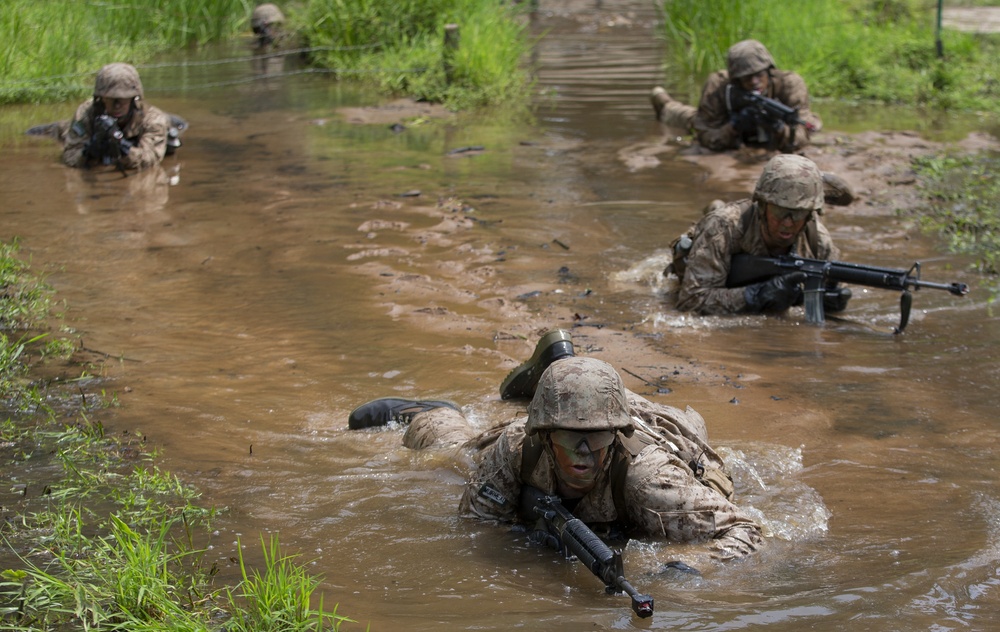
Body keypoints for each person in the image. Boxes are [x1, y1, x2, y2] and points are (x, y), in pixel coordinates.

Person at [348, 330, 764, 561]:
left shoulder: (648, 479)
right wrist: (530, 535)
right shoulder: (518, 447)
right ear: (545, 435)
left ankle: (562, 369)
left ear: (614, 436)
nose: (585, 452)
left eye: (597, 439)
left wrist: (685, 567)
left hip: (648, 422)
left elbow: (748, 530)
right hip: (550, 423)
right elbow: (475, 525)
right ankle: (429, 409)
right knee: (448, 448)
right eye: (570, 438)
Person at [666, 153, 852, 316]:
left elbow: (833, 295)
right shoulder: (722, 228)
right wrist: (758, 295)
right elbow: (690, 301)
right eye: (780, 211)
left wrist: (829, 301)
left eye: (798, 213)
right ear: (762, 206)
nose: (788, 222)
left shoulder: (817, 240)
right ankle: (714, 207)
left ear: (812, 214)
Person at [650, 39, 821, 154]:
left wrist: (779, 128)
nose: (754, 82)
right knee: (690, 120)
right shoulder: (719, 85)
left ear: (769, 70)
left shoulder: (790, 84)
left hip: (769, 134)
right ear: (736, 79)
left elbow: (803, 136)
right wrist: (734, 126)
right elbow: (705, 137)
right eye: (747, 77)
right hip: (725, 122)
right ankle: (664, 105)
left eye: (759, 74)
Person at [61, 63, 179, 172]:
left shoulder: (153, 119)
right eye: (111, 99)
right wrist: (89, 152)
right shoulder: (85, 113)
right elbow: (70, 156)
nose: (117, 106)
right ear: (100, 99)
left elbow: (151, 159)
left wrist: (124, 148)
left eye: (123, 100)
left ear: (133, 99)